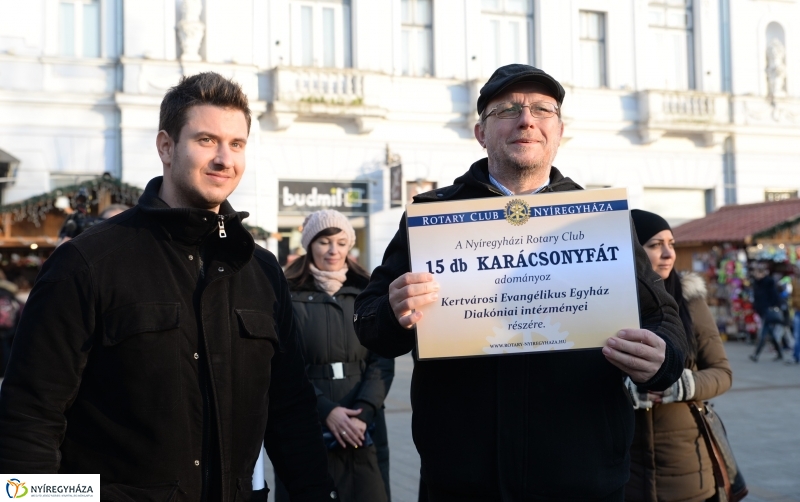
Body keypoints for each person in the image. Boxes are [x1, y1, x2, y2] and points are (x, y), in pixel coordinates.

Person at [353, 64, 688, 501]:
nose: (526, 120)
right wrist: (393, 311)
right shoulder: (432, 218)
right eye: (507, 110)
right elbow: (368, 318)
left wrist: (662, 359)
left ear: (559, 129)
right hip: (463, 482)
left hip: (582, 479)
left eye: (542, 109)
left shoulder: (598, 219)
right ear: (481, 132)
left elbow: (663, 315)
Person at [0, 72, 336, 501]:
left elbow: (290, 411)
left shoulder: (261, 271)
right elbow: (30, 419)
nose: (224, 158)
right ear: (165, 146)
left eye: (236, 144)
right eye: (206, 140)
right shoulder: (87, 263)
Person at [275, 209, 393, 502]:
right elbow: (283, 364)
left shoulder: (367, 291)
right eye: (324, 241)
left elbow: (382, 358)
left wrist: (364, 412)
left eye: (341, 242)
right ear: (309, 245)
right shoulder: (286, 294)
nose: (333, 250)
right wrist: (326, 411)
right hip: (307, 417)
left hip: (362, 422)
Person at [626, 209, 733, 501]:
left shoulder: (690, 299)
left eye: (671, 244)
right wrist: (624, 389)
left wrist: (677, 383)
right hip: (624, 471)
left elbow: (722, 373)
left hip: (689, 472)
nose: (667, 254)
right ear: (631, 248)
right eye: (654, 245)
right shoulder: (605, 301)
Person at [749, 263, 784, 362]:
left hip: (768, 311)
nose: (756, 275)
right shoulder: (757, 284)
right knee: (771, 334)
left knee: (763, 333)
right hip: (761, 311)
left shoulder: (768, 283)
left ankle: (756, 354)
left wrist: (772, 307)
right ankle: (779, 353)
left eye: (758, 273)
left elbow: (775, 297)